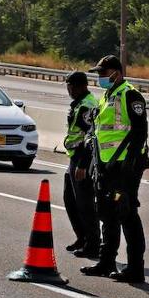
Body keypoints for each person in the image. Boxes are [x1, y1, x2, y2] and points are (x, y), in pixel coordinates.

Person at [79, 54, 149, 283]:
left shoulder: (130, 94)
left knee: (126, 213)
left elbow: (139, 132)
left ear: (116, 73)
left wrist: (129, 166)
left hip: (125, 166)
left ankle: (135, 268)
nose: (99, 77)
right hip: (105, 164)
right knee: (107, 214)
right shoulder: (106, 96)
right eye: (98, 74)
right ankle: (106, 261)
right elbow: (99, 129)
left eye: (102, 73)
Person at [61, 71, 100, 257]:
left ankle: (92, 243)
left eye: (70, 86)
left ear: (79, 86)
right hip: (74, 157)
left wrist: (83, 165)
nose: (68, 89)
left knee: (84, 203)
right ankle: (82, 237)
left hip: (83, 158)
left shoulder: (86, 106)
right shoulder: (80, 103)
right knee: (70, 199)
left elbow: (90, 138)